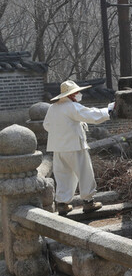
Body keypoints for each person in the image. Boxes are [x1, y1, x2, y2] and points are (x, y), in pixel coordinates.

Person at [42, 80, 114, 215]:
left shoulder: (53, 108)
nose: (79, 94)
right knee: (85, 173)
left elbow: (47, 126)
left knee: (63, 175)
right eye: (77, 92)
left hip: (58, 148)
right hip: (75, 146)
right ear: (71, 95)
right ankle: (88, 202)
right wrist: (108, 110)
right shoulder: (71, 107)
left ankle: (62, 204)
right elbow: (92, 115)